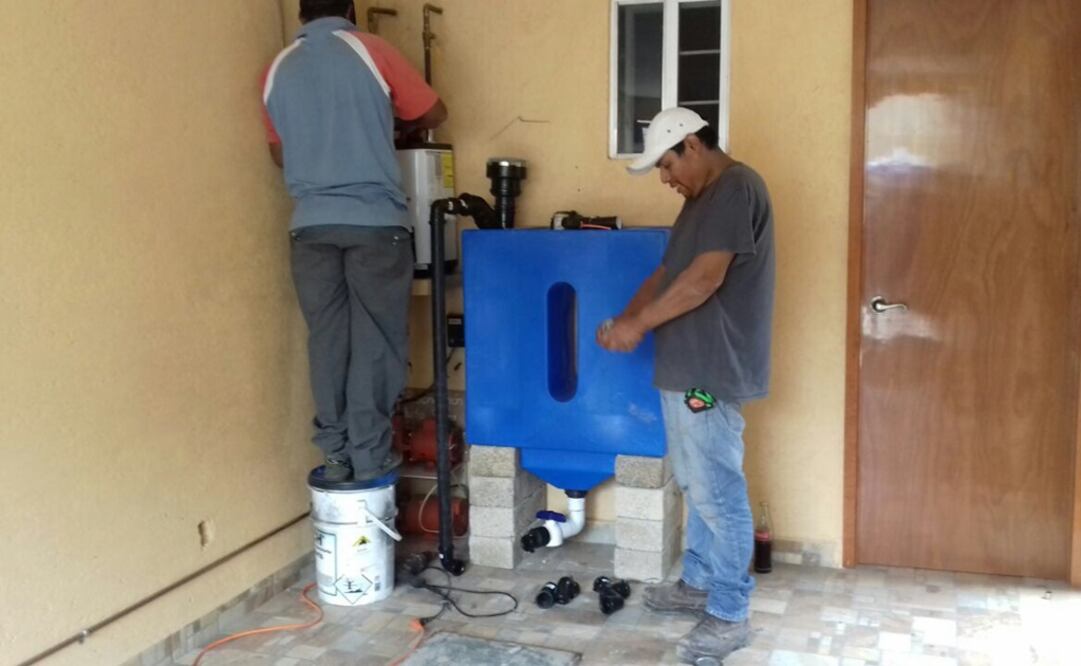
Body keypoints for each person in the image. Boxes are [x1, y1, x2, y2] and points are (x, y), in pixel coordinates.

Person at [597, 107, 775, 664]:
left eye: (667, 164)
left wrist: (639, 326)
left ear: (693, 145)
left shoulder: (736, 188)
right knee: (698, 486)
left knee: (717, 491)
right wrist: (627, 319)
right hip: (685, 368)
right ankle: (698, 583)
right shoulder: (699, 201)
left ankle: (729, 612)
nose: (665, 178)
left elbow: (703, 281)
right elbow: (666, 274)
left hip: (710, 373)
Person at [261, 0, 447, 482]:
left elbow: (280, 155)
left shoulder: (279, 67)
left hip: (309, 228)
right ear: (349, 8)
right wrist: (385, 122)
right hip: (374, 223)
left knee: (327, 341)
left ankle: (335, 454)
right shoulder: (370, 49)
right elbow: (434, 112)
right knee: (375, 340)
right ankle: (369, 454)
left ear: (301, 13)